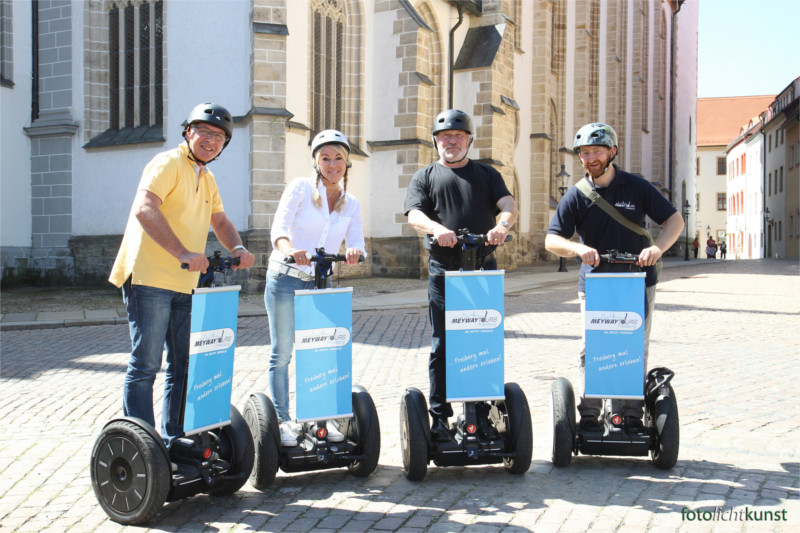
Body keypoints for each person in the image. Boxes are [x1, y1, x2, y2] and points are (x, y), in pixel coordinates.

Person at [109, 102, 255, 444]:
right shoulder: (168, 163)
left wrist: (237, 248)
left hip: (186, 283)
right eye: (204, 131)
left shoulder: (207, 178)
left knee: (183, 365)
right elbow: (145, 209)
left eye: (219, 136)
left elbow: (219, 220)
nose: (211, 140)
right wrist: (183, 253)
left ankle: (174, 437)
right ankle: (143, 443)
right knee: (146, 365)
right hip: (149, 278)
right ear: (188, 132)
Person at [544, 122, 684, 432]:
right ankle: (591, 414)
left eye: (597, 151)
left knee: (633, 346)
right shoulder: (576, 195)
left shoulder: (636, 187)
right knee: (592, 347)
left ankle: (631, 414)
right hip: (596, 282)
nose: (590, 158)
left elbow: (675, 219)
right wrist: (577, 249)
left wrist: (657, 249)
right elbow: (551, 240)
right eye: (584, 153)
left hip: (638, 280)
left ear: (612, 153)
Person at [404, 109, 519, 441]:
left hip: (482, 267)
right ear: (436, 141)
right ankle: (440, 416)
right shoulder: (424, 176)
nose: (451, 141)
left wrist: (501, 226)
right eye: (444, 137)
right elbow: (414, 214)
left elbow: (508, 204)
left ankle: (482, 410)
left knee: (484, 338)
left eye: (458, 136)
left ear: (469, 140)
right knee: (443, 342)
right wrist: (438, 228)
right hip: (445, 269)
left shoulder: (486, 174)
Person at [266, 129, 366, 446]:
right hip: (286, 277)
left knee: (323, 352)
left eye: (339, 158)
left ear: (347, 163)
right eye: (326, 158)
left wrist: (354, 253)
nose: (332, 164)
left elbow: (358, 245)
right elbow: (279, 230)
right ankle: (283, 422)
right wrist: (290, 248)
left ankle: (321, 417)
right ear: (316, 161)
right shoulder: (299, 189)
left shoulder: (351, 204)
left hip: (322, 282)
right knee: (282, 352)